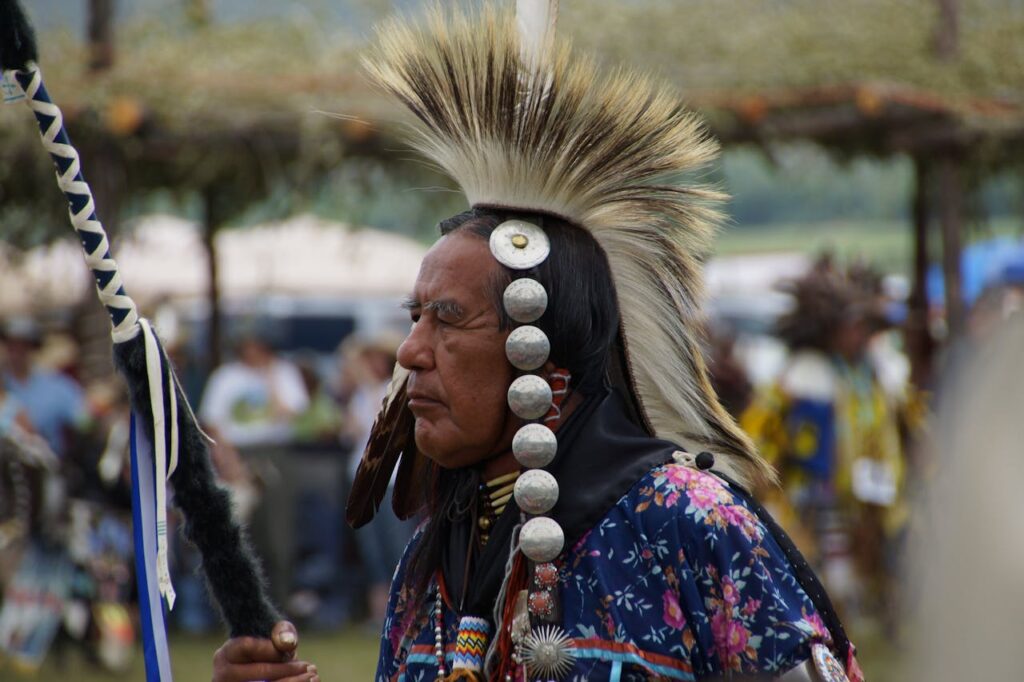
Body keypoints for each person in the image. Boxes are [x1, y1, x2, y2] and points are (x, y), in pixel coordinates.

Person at [212, 4, 861, 681]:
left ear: (537, 343)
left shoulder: (685, 523)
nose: (410, 352)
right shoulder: (430, 565)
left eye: (447, 318)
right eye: (414, 318)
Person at [741, 257, 914, 628]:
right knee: (827, 579)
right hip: (816, 499)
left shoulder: (876, 372)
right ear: (831, 329)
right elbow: (763, 438)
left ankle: (859, 630)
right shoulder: (803, 377)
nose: (861, 335)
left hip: (872, 494)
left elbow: (899, 425)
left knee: (866, 571)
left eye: (865, 327)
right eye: (854, 326)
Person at [199, 334, 309, 450]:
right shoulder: (224, 375)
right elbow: (210, 419)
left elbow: (291, 413)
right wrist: (224, 452)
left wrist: (271, 379)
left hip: (276, 447)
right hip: (235, 449)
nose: (252, 352)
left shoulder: (285, 372)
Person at [1, 317, 90, 460]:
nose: (16, 353)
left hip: (49, 465)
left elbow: (83, 420)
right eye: (11, 346)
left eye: (22, 346)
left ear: (33, 348)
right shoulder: (3, 386)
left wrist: (94, 414)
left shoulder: (57, 385)